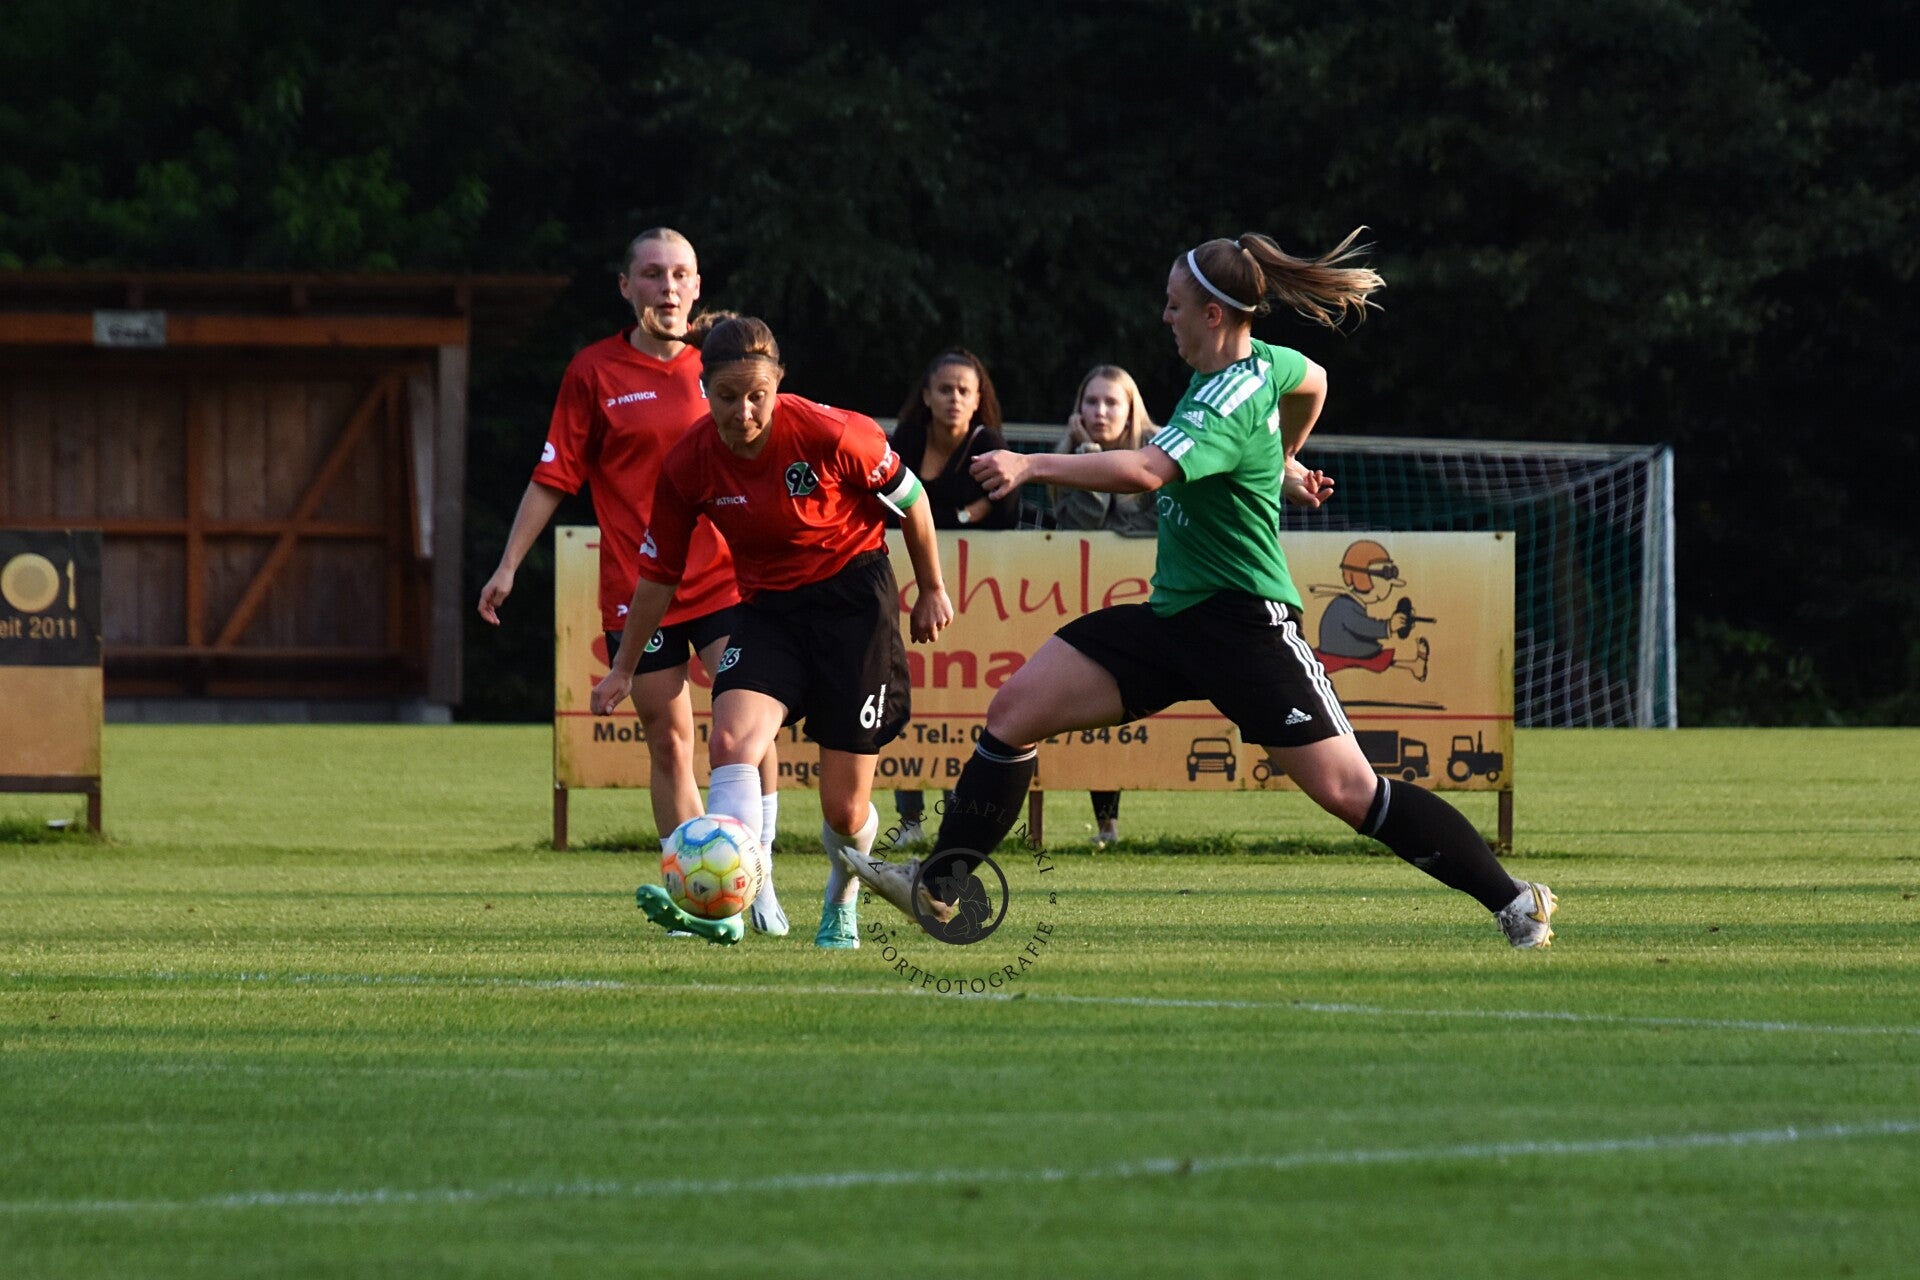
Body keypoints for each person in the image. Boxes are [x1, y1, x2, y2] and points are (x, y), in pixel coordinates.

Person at [844, 230, 1559, 949]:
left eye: (1174, 304)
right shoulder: (1256, 366)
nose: (1165, 316)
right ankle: (938, 888)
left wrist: (1031, 466)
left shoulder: (1227, 395)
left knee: (1351, 792)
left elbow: (1146, 472)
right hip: (1176, 619)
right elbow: (1314, 379)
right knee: (1014, 710)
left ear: (1213, 314)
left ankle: (1515, 901)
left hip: (1247, 627)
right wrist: (1281, 460)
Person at [590, 316, 955, 948]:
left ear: (778, 383)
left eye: (757, 395)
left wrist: (931, 588)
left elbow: (912, 499)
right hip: (767, 612)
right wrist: (623, 666)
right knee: (730, 740)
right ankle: (725, 904)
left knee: (844, 809)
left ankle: (840, 901)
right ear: (704, 390)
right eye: (727, 396)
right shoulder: (689, 463)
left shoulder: (833, 432)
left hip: (853, 606)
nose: (743, 412)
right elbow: (658, 573)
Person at [477, 228, 789, 937]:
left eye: (680, 273)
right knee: (669, 740)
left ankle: (758, 875)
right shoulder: (594, 372)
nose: (667, 287)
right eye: (652, 274)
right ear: (626, 287)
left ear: (698, 286)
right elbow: (554, 475)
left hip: (728, 582)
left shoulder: (725, 367)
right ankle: (698, 895)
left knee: (744, 732)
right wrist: (508, 565)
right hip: (638, 588)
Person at [882, 349, 1018, 847]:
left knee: (964, 703)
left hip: (977, 594)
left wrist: (944, 515)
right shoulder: (906, 441)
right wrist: (966, 512)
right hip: (904, 584)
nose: (954, 399)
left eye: (964, 390)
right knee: (902, 691)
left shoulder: (990, 445)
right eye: (944, 389)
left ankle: (956, 816)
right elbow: (886, 505)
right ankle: (909, 819)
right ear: (926, 396)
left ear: (978, 399)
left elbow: (1007, 511)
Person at [1050, 363, 1159, 846]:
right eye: (1091, 402)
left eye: (1111, 402)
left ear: (1131, 409)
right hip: (1084, 602)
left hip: (1151, 599)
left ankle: (1109, 823)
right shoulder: (1067, 458)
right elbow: (1085, 525)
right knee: (1090, 705)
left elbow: (1145, 527)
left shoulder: (1162, 451)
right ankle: (1105, 826)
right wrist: (1090, 458)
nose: (1100, 412)